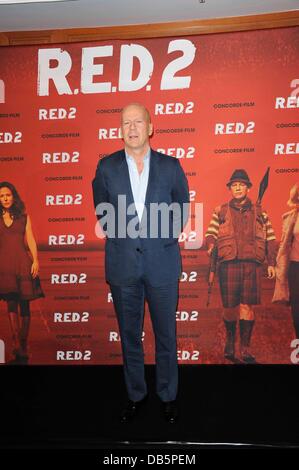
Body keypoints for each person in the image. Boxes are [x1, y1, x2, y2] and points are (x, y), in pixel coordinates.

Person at [92, 103, 189, 423]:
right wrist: (126, 239)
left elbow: (181, 210)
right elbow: (102, 211)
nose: (131, 128)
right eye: (125, 123)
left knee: (166, 335)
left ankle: (168, 395)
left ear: (150, 127)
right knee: (130, 335)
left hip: (162, 263)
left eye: (137, 122)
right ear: (120, 130)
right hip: (122, 266)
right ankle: (136, 394)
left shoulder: (171, 166)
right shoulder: (106, 168)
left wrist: (158, 240)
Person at [205, 169, 276, 363]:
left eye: (241, 184)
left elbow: (270, 238)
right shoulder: (220, 210)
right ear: (230, 188)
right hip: (228, 264)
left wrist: (271, 262)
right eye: (234, 185)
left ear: (248, 188)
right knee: (230, 307)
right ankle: (230, 340)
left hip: (251, 265)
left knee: (247, 306)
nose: (237, 187)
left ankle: (245, 348)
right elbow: (211, 233)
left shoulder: (260, 212)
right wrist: (211, 245)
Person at [0, 182, 44, 364]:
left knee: (24, 305)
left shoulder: (23, 215)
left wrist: (36, 260)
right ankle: (16, 341)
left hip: (23, 264)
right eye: (2, 196)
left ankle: (24, 344)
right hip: (5, 266)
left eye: (8, 195)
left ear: (13, 196)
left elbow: (31, 239)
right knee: (11, 303)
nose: (5, 199)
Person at [272, 183, 299, 339]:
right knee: (296, 309)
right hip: (295, 268)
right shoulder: (290, 217)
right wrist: (279, 269)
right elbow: (283, 245)